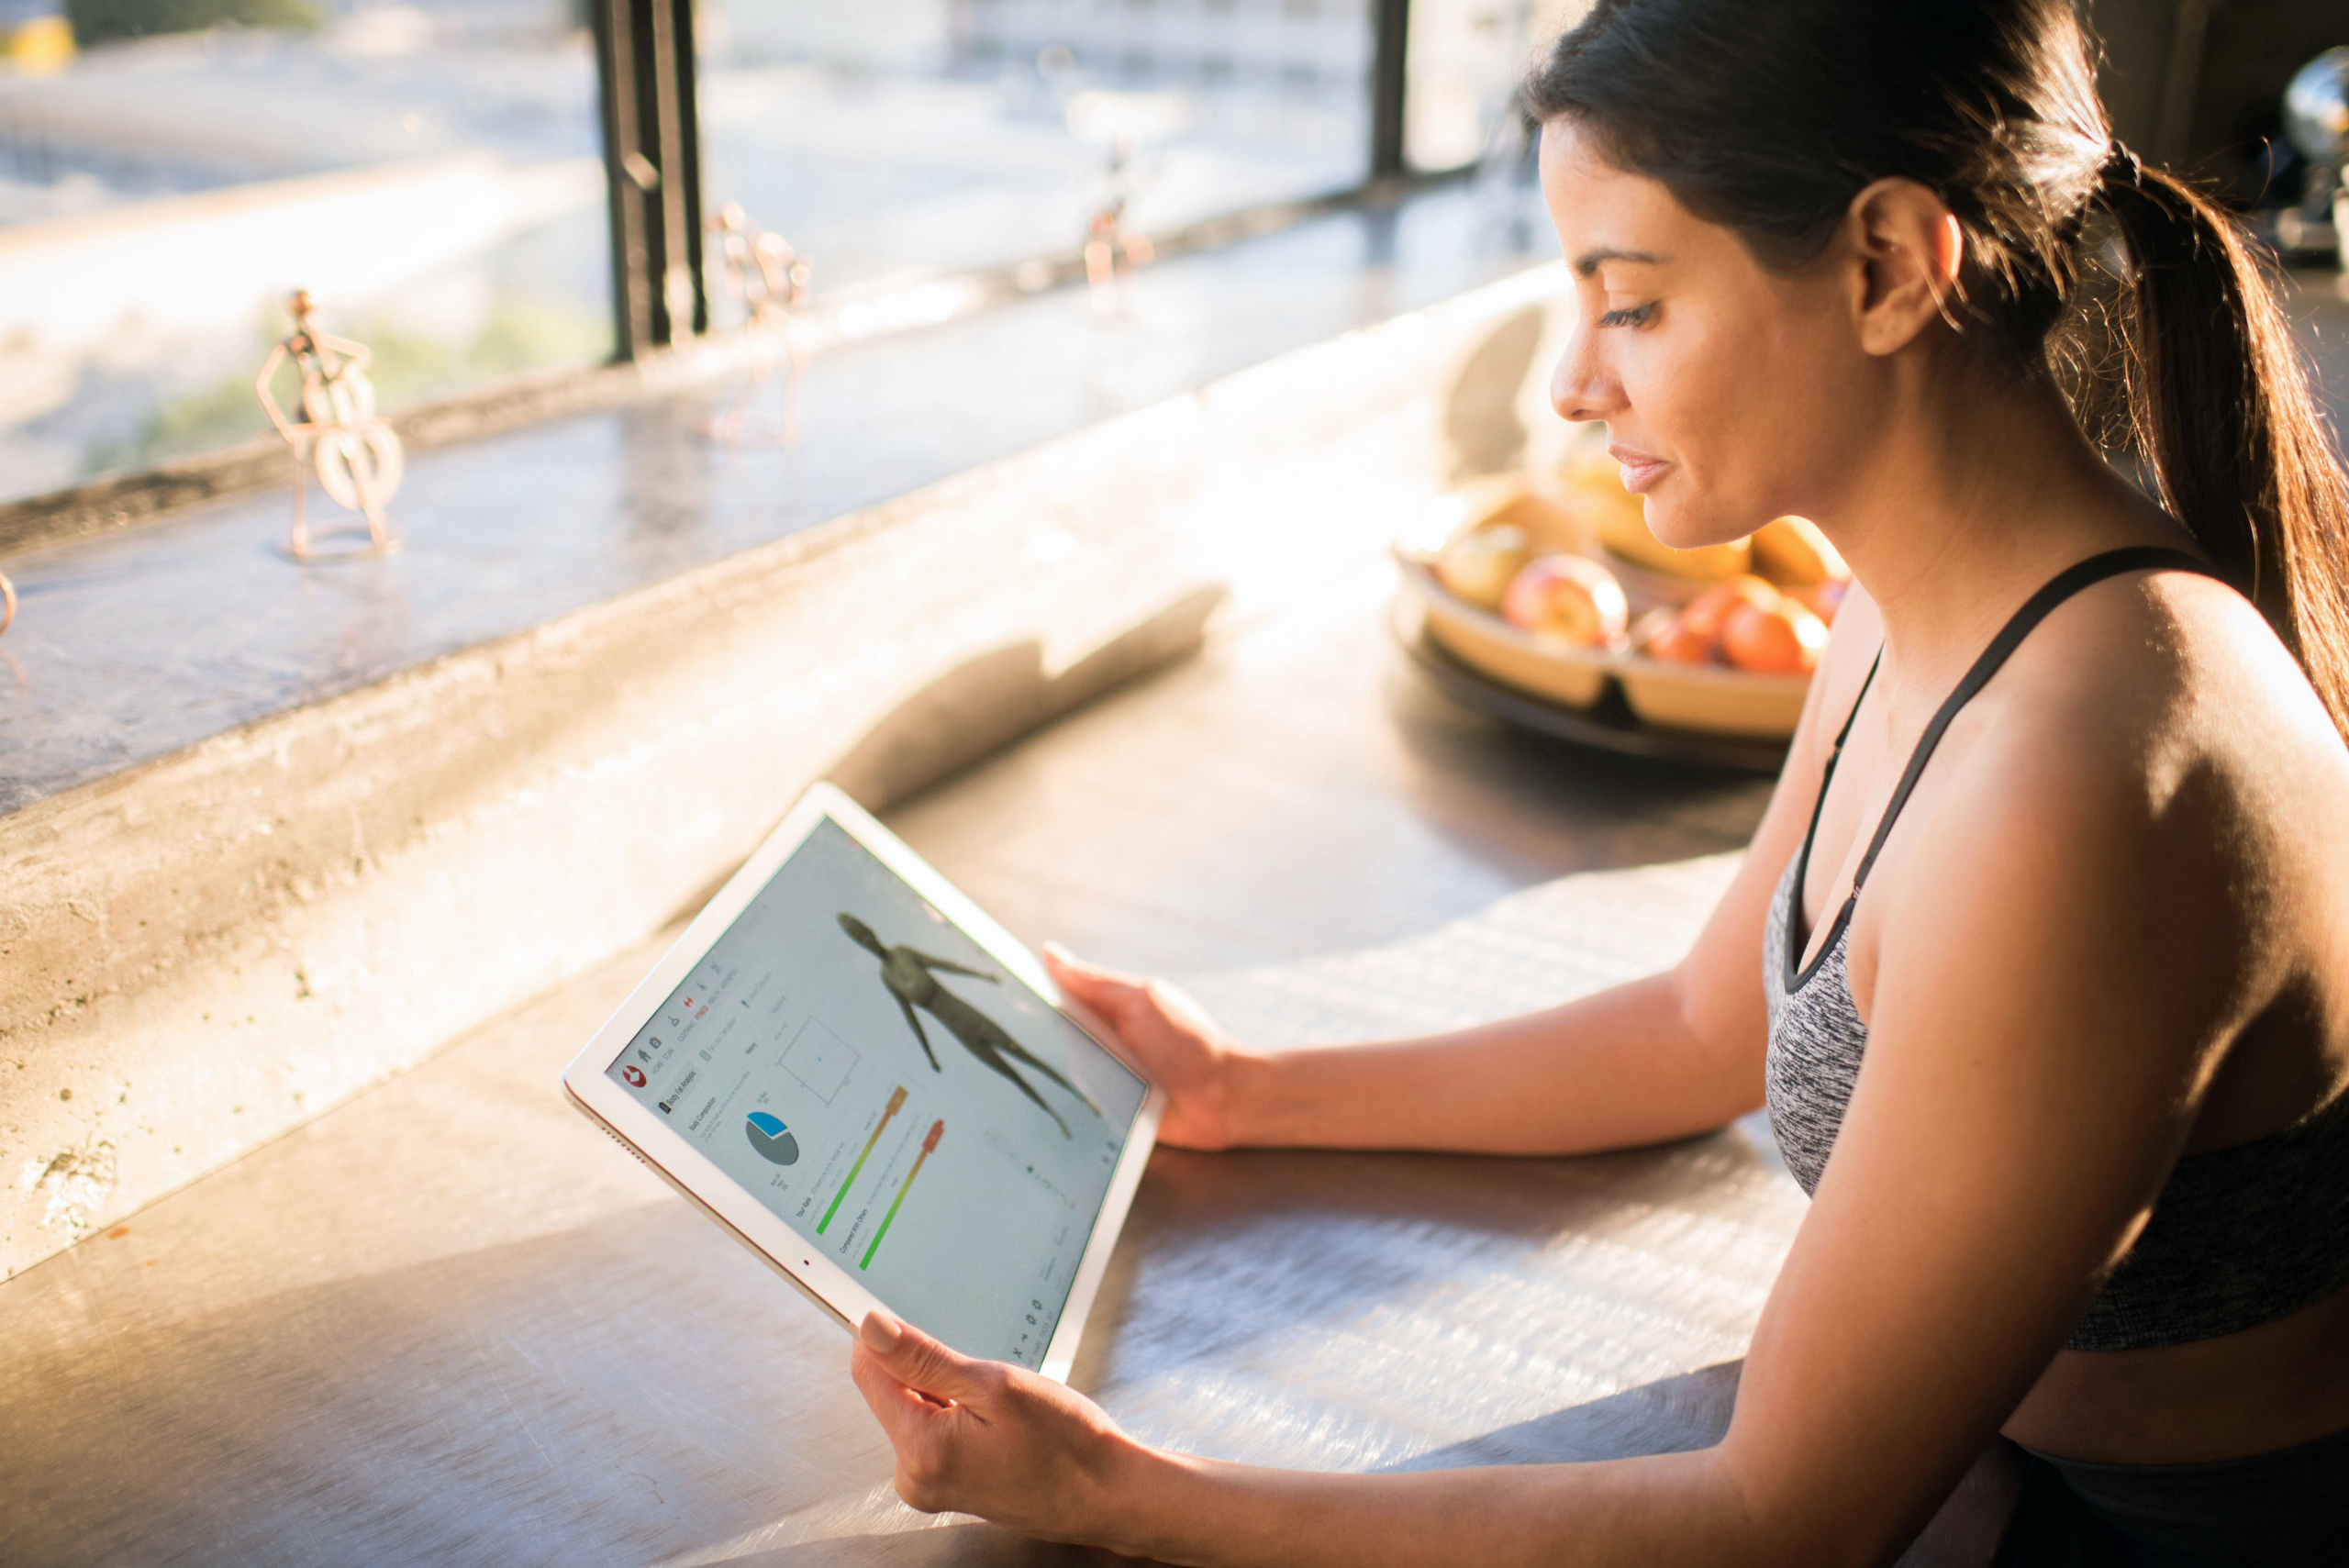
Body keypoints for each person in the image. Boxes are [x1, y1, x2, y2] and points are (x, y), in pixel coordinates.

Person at [845, 2, 2349, 1561]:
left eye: (1631, 304)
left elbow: (1781, 1517)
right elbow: (1708, 1025)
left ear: (1890, 266)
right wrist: (1249, 1086)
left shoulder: (2088, 780)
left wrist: (1118, 1495)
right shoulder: (1912, 612)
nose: (1573, 383)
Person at [836, 913, 1099, 1139]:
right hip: (961, 1034)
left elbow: (946, 965)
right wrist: (930, 1056)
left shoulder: (904, 953)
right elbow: (911, 1019)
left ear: (872, 931)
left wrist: (982, 975)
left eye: (866, 935)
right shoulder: (888, 978)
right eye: (860, 941)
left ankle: (1081, 1097)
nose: (867, 942)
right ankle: (1056, 1118)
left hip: (971, 1016)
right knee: (1011, 1075)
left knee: (1024, 1055)